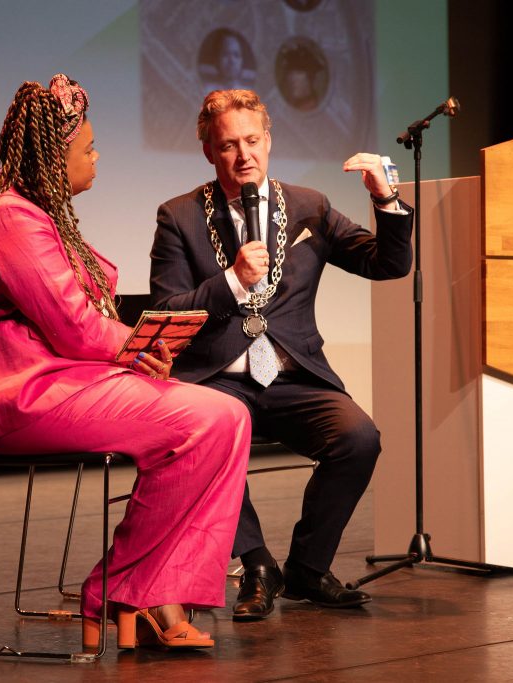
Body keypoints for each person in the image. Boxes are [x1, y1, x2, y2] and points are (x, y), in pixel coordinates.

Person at [0, 74, 251, 650]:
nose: (97, 156)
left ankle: (153, 594)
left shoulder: (37, 215)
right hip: (24, 395)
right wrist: (137, 349)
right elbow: (75, 327)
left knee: (222, 418)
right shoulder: (12, 219)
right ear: (54, 157)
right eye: (87, 149)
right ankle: (119, 589)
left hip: (65, 382)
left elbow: (79, 326)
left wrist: (138, 354)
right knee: (211, 419)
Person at [149, 89, 414, 621]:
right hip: (218, 378)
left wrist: (386, 200)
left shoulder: (309, 206)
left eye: (252, 140)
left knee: (359, 438)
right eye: (228, 145)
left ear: (268, 141)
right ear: (208, 151)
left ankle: (308, 569)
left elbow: (387, 265)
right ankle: (257, 565)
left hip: (293, 374)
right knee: (215, 433)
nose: (243, 155)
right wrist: (230, 282)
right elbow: (167, 308)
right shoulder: (179, 216)